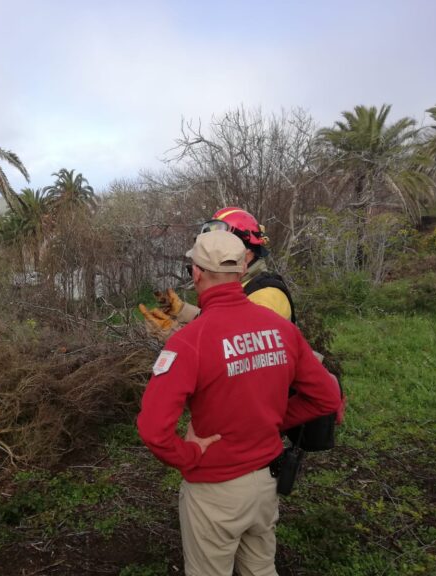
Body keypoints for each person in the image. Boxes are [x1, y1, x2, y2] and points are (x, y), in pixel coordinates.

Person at [137, 230, 341, 576]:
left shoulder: (188, 343)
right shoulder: (281, 329)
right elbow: (328, 396)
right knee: (260, 569)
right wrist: (274, 420)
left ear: (196, 273)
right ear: (242, 270)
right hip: (266, 484)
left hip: (215, 490)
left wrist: (190, 454)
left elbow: (153, 430)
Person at [140, 207, 294, 338]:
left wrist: (173, 334)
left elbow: (233, 350)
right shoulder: (242, 286)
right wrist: (183, 311)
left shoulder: (265, 297)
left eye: (221, 247)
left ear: (246, 252)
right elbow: (222, 323)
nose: (212, 253)